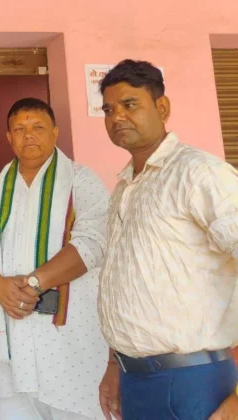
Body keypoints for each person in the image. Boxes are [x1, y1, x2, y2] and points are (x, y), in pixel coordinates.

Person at [97, 59, 238, 420]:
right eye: (108, 109)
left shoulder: (198, 173)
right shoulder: (125, 187)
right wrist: (115, 364)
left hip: (195, 381)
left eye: (129, 104)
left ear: (162, 108)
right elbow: (128, 285)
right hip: (136, 380)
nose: (117, 117)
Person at [0, 98, 109, 419]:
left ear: (55, 132)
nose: (28, 135)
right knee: (15, 407)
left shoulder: (81, 181)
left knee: (75, 408)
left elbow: (93, 242)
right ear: (9, 137)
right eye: (19, 129)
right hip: (12, 329)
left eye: (38, 127)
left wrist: (33, 283)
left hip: (68, 334)